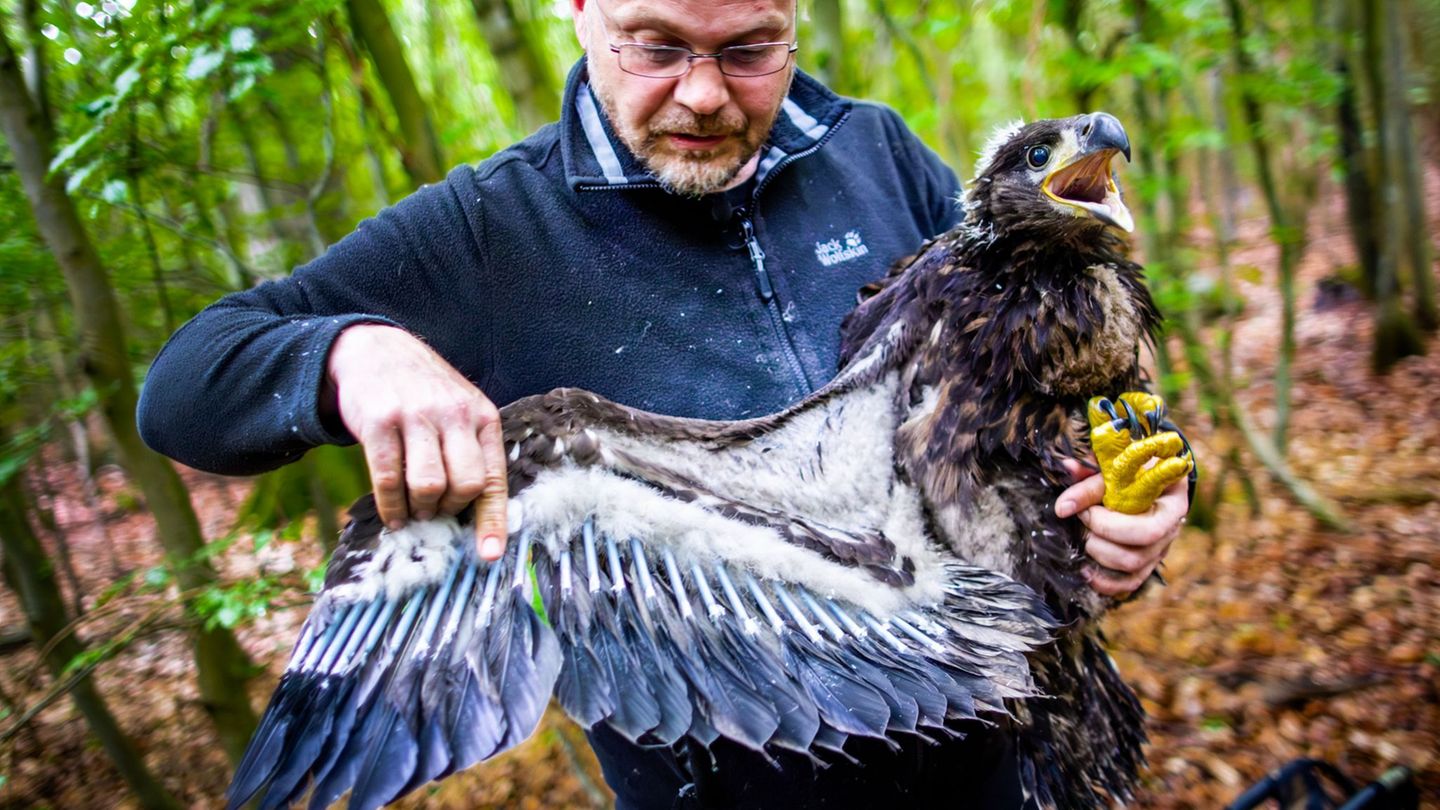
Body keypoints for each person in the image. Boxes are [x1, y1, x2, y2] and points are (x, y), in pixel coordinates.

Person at [138, 0, 1189, 806]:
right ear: (580, 9)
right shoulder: (489, 235)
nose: (703, 95)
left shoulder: (874, 154)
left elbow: (1085, 391)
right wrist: (351, 357)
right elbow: (187, 384)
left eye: (749, 48)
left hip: (1016, 761)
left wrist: (1141, 500)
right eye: (655, 45)